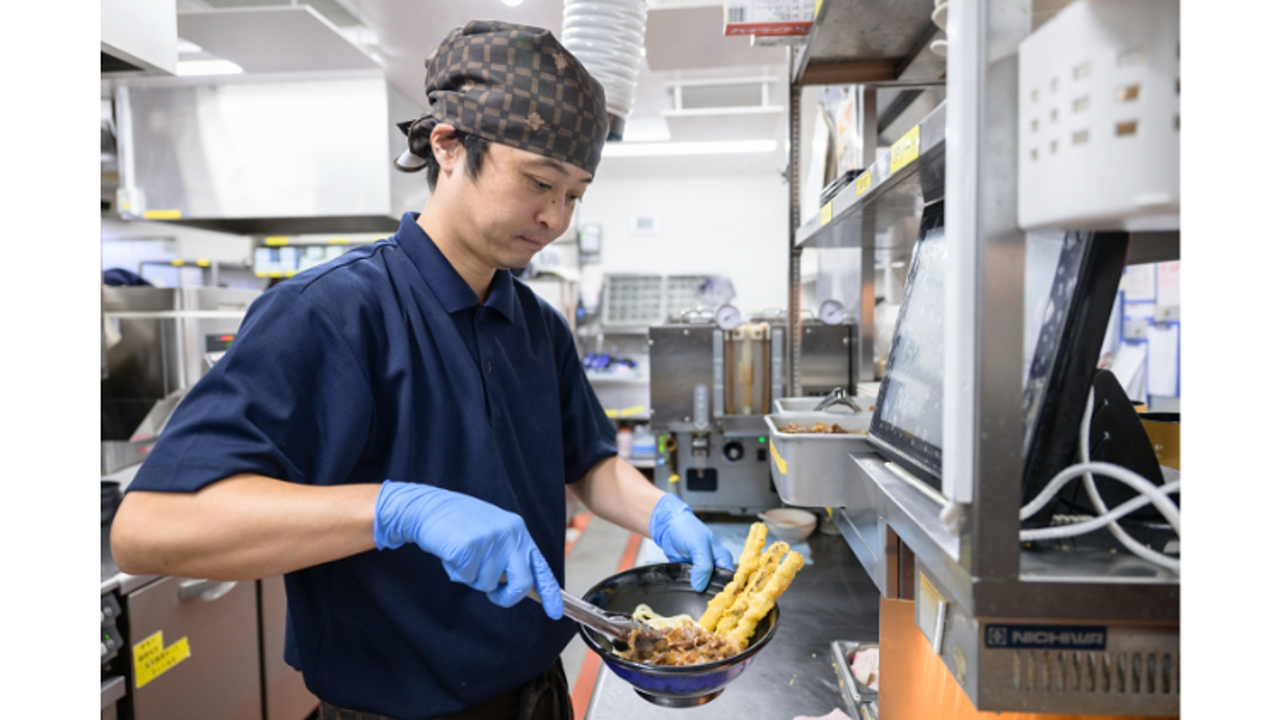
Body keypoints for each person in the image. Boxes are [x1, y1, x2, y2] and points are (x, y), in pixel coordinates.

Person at [110, 21, 734, 720]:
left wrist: (663, 512)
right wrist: (394, 510)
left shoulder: (535, 326)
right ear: (448, 145)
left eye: (575, 193)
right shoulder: (330, 315)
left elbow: (587, 463)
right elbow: (149, 528)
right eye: (537, 182)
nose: (555, 217)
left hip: (539, 695)